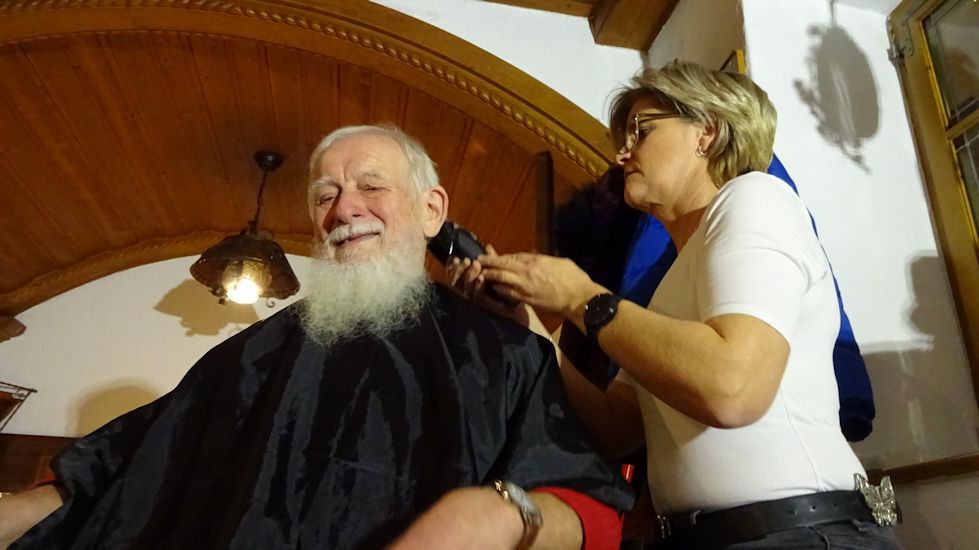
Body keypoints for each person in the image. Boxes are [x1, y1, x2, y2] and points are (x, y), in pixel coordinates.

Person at [0, 124, 633, 549]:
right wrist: (21, 511)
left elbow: (590, 509)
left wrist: (497, 516)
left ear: (433, 211)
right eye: (325, 195)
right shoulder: (248, 355)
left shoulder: (507, 354)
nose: (344, 209)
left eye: (371, 186)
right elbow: (127, 468)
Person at [449, 61, 901, 548]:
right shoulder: (665, 289)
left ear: (707, 132)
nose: (622, 153)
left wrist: (579, 296)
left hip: (799, 535)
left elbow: (733, 388)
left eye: (641, 131)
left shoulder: (754, 197)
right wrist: (524, 322)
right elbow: (616, 429)